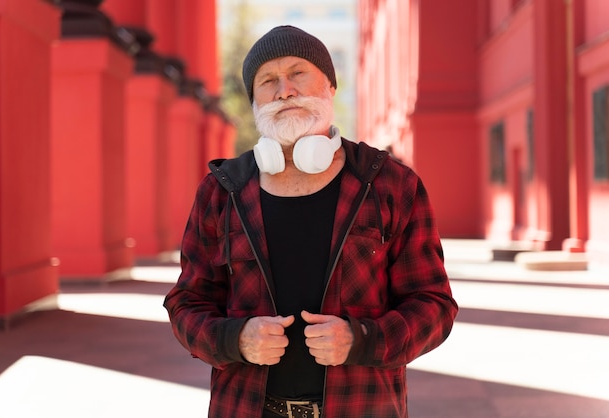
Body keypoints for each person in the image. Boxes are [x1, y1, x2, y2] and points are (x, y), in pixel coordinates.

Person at [164, 25, 458, 418]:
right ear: (254, 101)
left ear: (330, 87)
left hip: (361, 409)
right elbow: (186, 303)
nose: (284, 89)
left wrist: (361, 339)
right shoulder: (221, 191)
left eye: (298, 72)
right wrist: (235, 339)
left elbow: (434, 306)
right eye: (268, 80)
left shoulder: (390, 184)